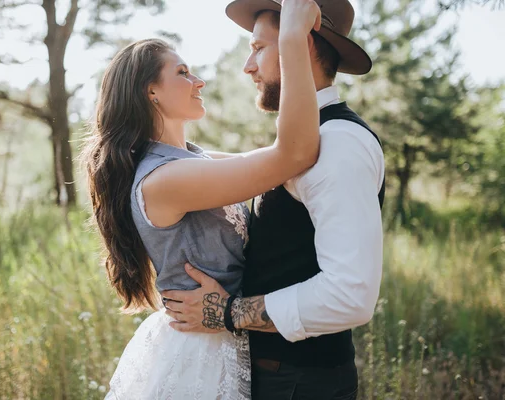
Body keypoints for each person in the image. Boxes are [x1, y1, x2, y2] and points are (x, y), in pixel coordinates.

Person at [82, 1, 324, 398]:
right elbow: (292, 154)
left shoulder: (190, 160)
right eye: (182, 73)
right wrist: (292, 39)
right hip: (200, 354)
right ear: (151, 92)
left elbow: (280, 161)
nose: (199, 81)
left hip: (225, 336)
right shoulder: (168, 178)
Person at [161, 0, 386, 399]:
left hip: (301, 383)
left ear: (303, 44)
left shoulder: (339, 145)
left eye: (260, 48)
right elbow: (216, 166)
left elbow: (350, 296)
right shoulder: (306, 139)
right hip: (277, 377)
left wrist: (227, 312)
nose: (248, 66)